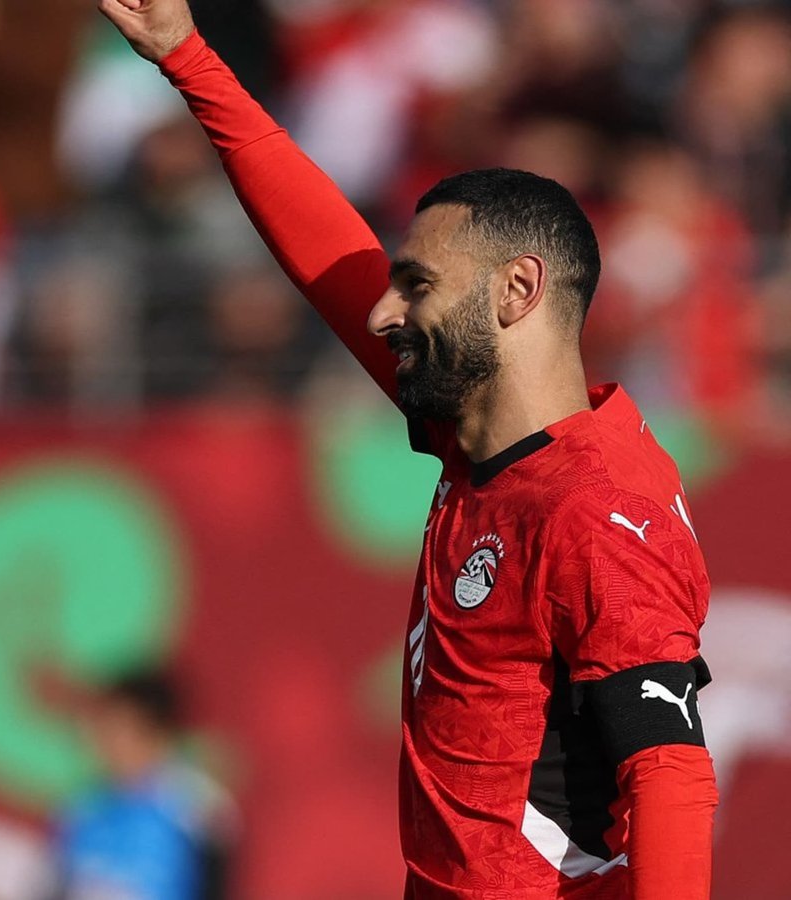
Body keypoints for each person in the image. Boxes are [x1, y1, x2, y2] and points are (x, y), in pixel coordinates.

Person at [96, 2, 719, 898]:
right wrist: (188, 58)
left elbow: (668, 777)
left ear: (516, 291)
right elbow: (328, 250)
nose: (384, 313)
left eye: (416, 285)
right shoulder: (478, 432)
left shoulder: (597, 506)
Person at [53, 668, 234, 900]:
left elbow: (218, 881)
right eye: (105, 729)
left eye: (123, 730)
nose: (110, 743)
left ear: (158, 734)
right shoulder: (84, 806)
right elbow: (59, 882)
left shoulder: (195, 801)